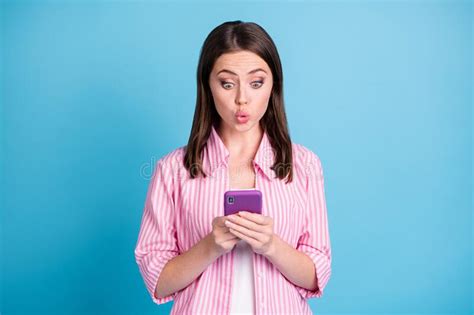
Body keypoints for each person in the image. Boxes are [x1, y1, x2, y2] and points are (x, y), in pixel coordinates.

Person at [134, 20, 332, 314]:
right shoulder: (171, 170)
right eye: (227, 83)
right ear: (207, 86)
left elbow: (317, 275)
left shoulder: (304, 165)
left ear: (273, 85)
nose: (242, 98)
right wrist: (211, 245)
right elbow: (158, 281)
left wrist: (271, 246)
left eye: (256, 82)